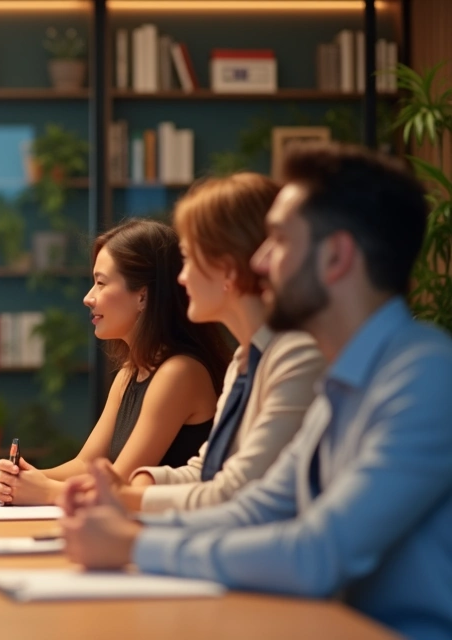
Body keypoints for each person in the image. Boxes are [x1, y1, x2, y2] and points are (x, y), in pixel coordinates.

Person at [58, 143, 452, 639]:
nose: (259, 262)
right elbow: (259, 507)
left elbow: (317, 552)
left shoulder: (424, 374)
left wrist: (133, 544)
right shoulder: (344, 374)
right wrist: (127, 527)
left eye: (280, 241)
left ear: (336, 257)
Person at [99, 174, 326, 512]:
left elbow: (236, 491)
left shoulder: (295, 356)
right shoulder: (243, 361)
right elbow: (208, 470)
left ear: (228, 269)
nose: (180, 276)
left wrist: (125, 497)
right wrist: (147, 480)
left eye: (189, 258)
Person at [0, 218, 231, 505]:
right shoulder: (130, 372)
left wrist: (45, 491)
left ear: (142, 296)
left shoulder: (179, 373)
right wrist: (28, 479)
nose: (88, 297)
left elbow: (119, 483)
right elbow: (85, 464)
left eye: (101, 283)